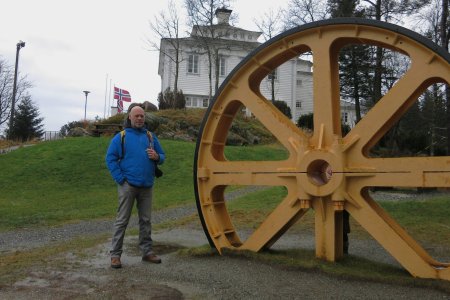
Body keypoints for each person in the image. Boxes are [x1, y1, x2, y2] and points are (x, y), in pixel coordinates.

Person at [105, 105, 165, 269]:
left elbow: (163, 157)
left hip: (147, 185)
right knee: (122, 220)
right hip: (128, 186)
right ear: (129, 118)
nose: (139, 118)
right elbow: (110, 159)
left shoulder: (150, 136)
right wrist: (120, 179)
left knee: (146, 220)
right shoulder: (121, 137)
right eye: (136, 116)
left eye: (142, 116)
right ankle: (115, 255)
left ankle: (147, 252)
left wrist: (157, 156)